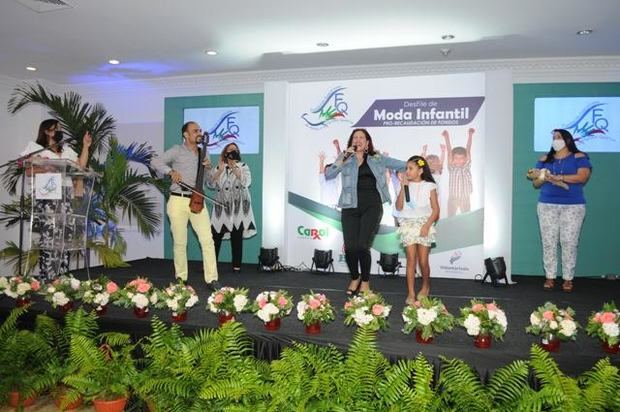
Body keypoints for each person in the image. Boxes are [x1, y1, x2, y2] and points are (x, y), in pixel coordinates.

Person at [325, 128, 406, 295]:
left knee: (363, 246)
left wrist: (418, 163)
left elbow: (400, 164)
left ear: (367, 142)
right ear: (351, 142)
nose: (358, 140)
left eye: (362, 137)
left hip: (372, 206)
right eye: (355, 137)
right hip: (349, 206)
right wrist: (343, 157)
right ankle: (355, 277)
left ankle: (366, 282)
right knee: (350, 248)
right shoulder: (345, 159)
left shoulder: (377, 158)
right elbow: (329, 174)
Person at [20, 119, 92, 281]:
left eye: (60, 128)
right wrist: (46, 168)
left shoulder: (65, 149)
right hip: (48, 197)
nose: (59, 131)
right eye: (56, 128)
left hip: (65, 196)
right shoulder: (36, 148)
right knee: (48, 238)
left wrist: (86, 147)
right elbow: (28, 171)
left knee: (63, 238)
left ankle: (62, 276)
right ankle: (47, 277)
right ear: (47, 130)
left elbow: (80, 166)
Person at [151, 121, 219, 288]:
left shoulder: (204, 153)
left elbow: (209, 181)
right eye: (195, 131)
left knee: (207, 240)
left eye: (200, 130)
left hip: (197, 200)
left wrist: (209, 168)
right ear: (186, 135)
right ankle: (181, 278)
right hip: (177, 199)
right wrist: (170, 171)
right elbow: (155, 162)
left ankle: (212, 279)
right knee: (180, 242)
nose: (199, 133)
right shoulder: (177, 150)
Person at [532, 129, 592, 293]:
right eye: (553, 138)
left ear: (567, 140)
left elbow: (582, 177)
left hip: (573, 206)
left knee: (569, 242)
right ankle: (550, 277)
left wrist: (561, 178)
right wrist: (541, 176)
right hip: (547, 205)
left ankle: (568, 279)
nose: (555, 140)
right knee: (549, 242)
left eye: (558, 137)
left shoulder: (579, 157)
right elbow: (536, 184)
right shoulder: (545, 158)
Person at [395, 156, 440, 305]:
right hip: (408, 225)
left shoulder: (429, 186)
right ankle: (411, 293)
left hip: (424, 224)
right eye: (406, 168)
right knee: (410, 260)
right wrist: (403, 187)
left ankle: (426, 285)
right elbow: (399, 207)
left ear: (420, 170)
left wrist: (426, 226)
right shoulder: (404, 185)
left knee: (423, 261)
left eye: (410, 168)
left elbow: (436, 210)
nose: (407, 171)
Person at [206, 142, 256, 273]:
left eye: (235, 150)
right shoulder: (219, 167)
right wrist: (220, 171)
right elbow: (210, 184)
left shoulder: (243, 166)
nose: (232, 152)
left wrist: (235, 168)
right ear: (225, 153)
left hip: (238, 206)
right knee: (215, 236)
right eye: (230, 150)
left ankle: (236, 266)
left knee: (237, 236)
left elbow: (247, 182)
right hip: (221, 206)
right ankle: (211, 266)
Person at [443, 128, 475, 217]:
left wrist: (470, 135)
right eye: (456, 158)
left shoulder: (466, 167)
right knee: (450, 218)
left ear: (465, 159)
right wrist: (446, 137)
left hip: (465, 198)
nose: (459, 161)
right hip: (453, 198)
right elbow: (449, 151)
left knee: (466, 217)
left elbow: (468, 150)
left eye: (461, 158)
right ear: (452, 160)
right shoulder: (452, 168)